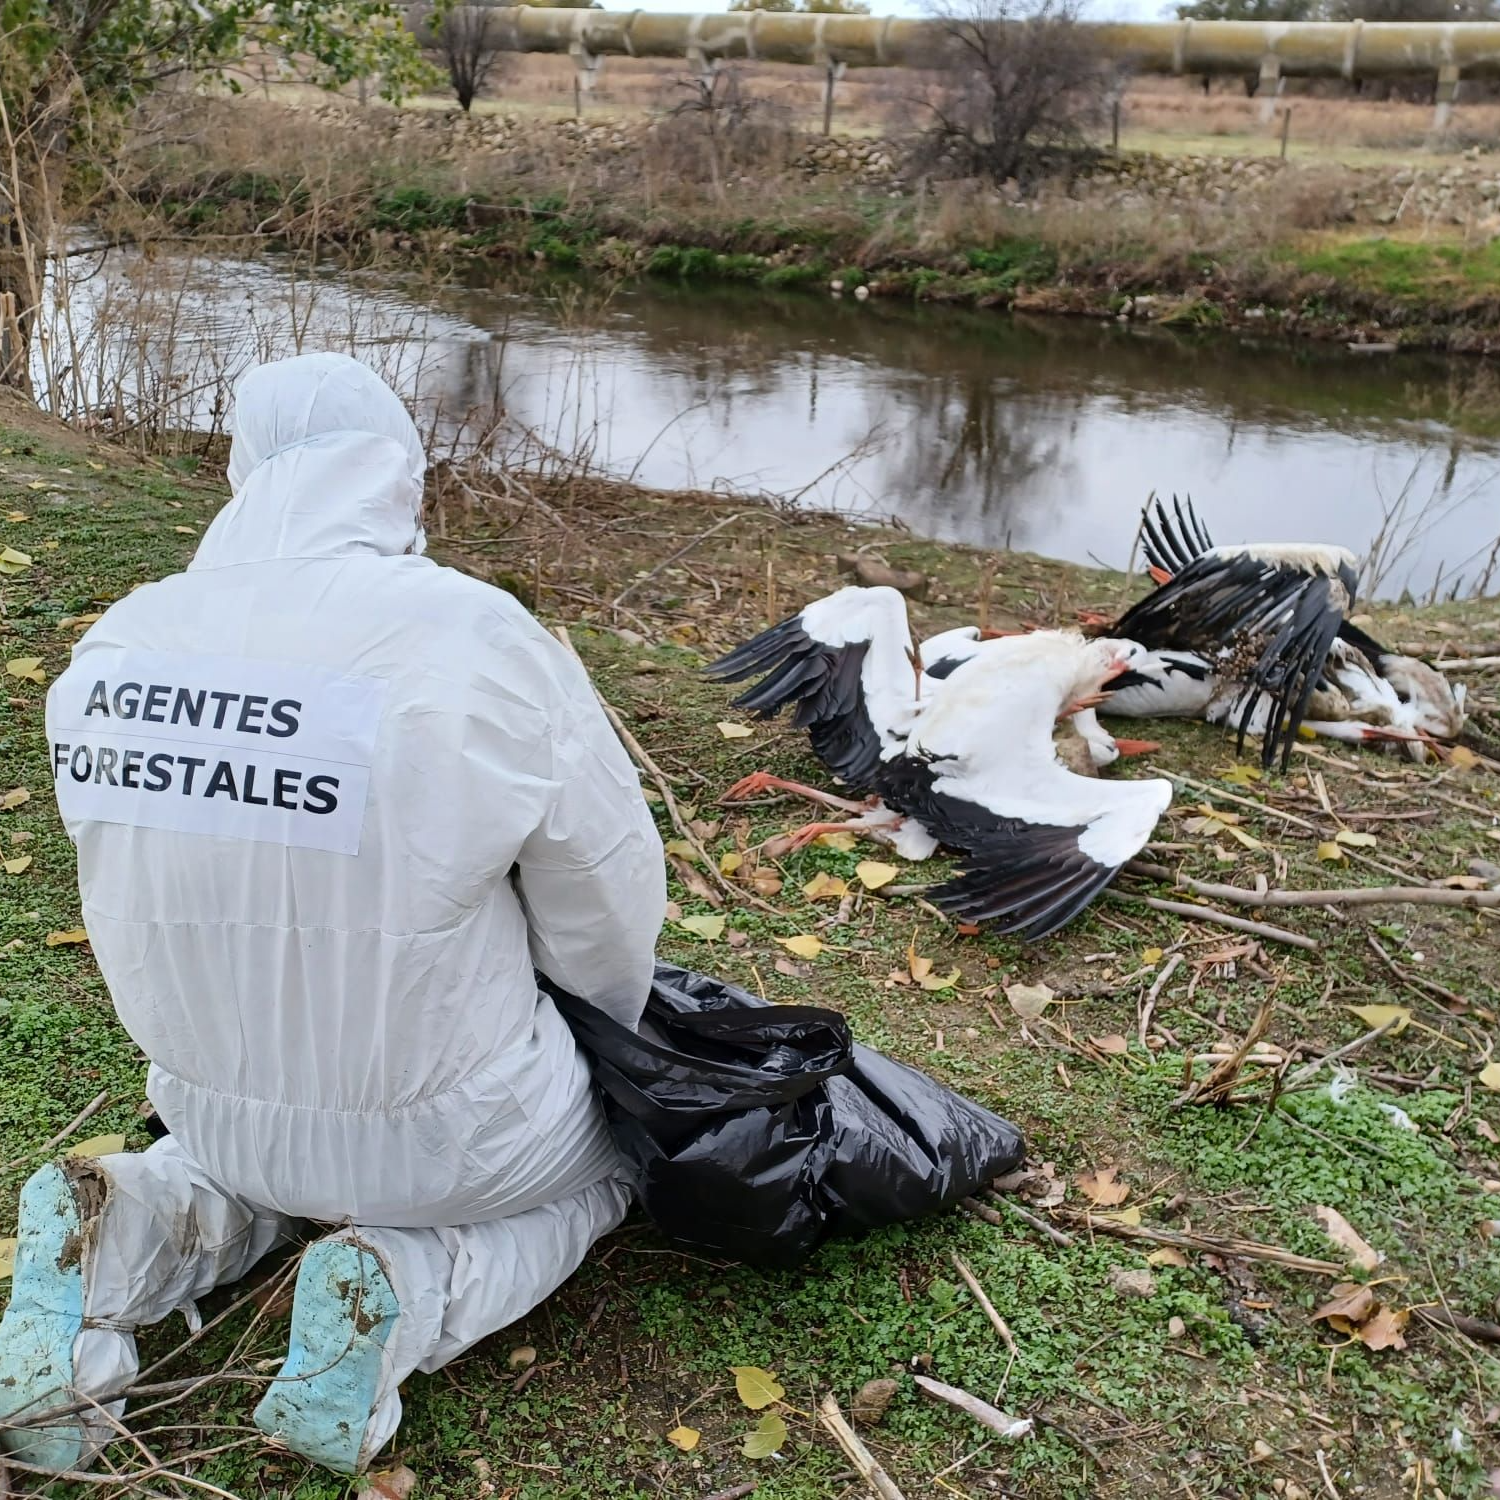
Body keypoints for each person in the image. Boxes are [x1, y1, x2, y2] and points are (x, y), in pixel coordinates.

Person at [0, 352, 666, 1474]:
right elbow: (602, 893)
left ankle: (116, 1241)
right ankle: (401, 1294)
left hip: (211, 1107)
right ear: (400, 476)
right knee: (611, 1165)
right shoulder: (475, 636)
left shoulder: (117, 645)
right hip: (456, 1128)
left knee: (252, 1166)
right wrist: (612, 1039)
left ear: (242, 475)